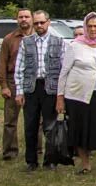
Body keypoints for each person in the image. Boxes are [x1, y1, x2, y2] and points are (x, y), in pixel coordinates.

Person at [57, 13, 96, 174]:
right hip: (78, 95)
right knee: (80, 129)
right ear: (85, 27)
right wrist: (60, 97)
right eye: (90, 26)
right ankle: (85, 165)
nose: (93, 29)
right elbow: (64, 72)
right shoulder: (75, 46)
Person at [15, 11, 66, 171]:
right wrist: (19, 91)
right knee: (30, 125)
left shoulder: (59, 42)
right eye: (36, 23)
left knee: (50, 126)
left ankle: (50, 160)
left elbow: (64, 70)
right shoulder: (26, 42)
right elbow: (19, 68)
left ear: (48, 22)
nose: (39, 26)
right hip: (31, 87)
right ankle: (31, 161)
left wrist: (61, 94)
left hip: (51, 88)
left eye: (42, 22)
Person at [0, 8, 32, 161]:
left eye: (26, 16)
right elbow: (2, 63)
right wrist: (3, 85)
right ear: (17, 19)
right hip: (12, 81)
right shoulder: (9, 39)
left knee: (35, 119)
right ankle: (10, 151)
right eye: (21, 17)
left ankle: (36, 149)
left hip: (32, 80)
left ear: (31, 19)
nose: (24, 19)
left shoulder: (38, 37)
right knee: (10, 119)